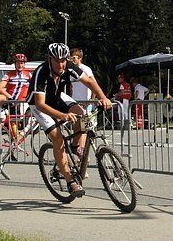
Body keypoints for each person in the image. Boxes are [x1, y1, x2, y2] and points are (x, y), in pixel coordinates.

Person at [26, 43, 112, 201]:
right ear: (49, 59)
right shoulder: (41, 72)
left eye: (63, 60)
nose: (61, 65)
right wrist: (63, 115)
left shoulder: (69, 66)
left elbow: (89, 81)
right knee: (57, 138)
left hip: (57, 97)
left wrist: (103, 97)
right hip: (39, 105)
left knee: (82, 114)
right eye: (57, 61)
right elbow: (40, 104)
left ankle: (72, 149)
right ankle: (71, 182)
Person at [0, 53, 33, 131]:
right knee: (0, 98)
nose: (20, 65)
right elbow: (0, 88)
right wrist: (10, 97)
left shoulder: (28, 75)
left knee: (15, 125)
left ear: (24, 64)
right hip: (10, 100)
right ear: (15, 64)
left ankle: (7, 128)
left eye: (22, 63)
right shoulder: (9, 74)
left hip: (19, 102)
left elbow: (34, 86)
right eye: (18, 63)